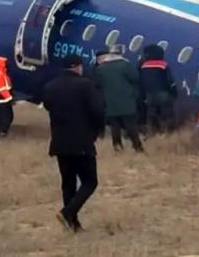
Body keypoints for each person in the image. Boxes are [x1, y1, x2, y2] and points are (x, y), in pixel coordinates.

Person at [43, 55, 105, 233]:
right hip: (82, 141)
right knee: (90, 182)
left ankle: (73, 224)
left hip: (60, 142)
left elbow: (48, 106)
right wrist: (97, 130)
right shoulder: (86, 85)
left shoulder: (51, 86)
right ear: (78, 67)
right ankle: (67, 212)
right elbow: (98, 110)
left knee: (68, 183)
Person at [94, 45, 144, 152]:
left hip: (110, 102)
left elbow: (97, 84)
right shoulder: (125, 65)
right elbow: (136, 78)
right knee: (131, 125)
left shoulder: (101, 68)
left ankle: (117, 147)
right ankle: (137, 147)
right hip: (127, 101)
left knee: (114, 126)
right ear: (121, 53)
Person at [139, 45, 178, 135]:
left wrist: (143, 95)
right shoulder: (163, 65)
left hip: (149, 95)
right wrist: (174, 92)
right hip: (163, 94)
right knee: (167, 115)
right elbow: (170, 80)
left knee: (152, 115)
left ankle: (153, 133)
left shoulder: (144, 66)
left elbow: (141, 81)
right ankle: (168, 133)